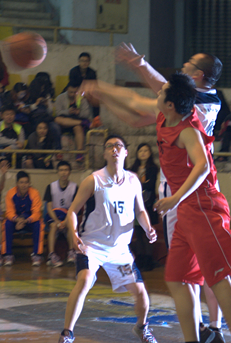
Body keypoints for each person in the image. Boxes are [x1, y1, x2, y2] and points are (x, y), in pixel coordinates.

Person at [81, 75, 231, 343]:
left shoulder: (187, 130)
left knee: (219, 279)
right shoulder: (164, 115)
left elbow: (202, 166)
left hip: (203, 207)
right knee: (176, 278)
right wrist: (102, 91)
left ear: (170, 104)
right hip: (185, 212)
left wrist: (175, 198)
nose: (157, 93)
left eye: (162, 92)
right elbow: (133, 103)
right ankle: (195, 339)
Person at [116, 44, 226, 342]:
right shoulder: (209, 99)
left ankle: (205, 328)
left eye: (188, 64)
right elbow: (150, 102)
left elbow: (154, 92)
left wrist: (134, 67)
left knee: (189, 269)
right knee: (205, 265)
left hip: (185, 191)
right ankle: (212, 327)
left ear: (198, 76)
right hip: (202, 191)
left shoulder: (193, 101)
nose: (182, 67)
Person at [58, 135, 158, 343]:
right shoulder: (94, 180)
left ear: (126, 152)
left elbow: (140, 210)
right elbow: (73, 211)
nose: (114, 149)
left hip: (119, 250)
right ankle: (67, 333)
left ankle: (142, 328)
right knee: (84, 280)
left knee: (141, 292)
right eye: (110, 146)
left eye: (118, 146)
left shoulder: (133, 180)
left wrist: (148, 228)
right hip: (92, 245)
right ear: (104, 153)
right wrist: (73, 232)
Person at [127, 143, 160, 271]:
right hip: (134, 204)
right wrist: (142, 184)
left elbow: (150, 185)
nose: (143, 153)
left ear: (150, 153)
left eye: (146, 150)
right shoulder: (132, 169)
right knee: (139, 232)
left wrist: (140, 185)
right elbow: (130, 185)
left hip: (148, 204)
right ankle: (140, 259)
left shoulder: (153, 168)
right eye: (141, 151)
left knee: (148, 231)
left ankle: (148, 259)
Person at [1, 170, 44, 266]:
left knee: (39, 224)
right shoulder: (10, 193)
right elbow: (9, 212)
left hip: (29, 220)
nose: (24, 185)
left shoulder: (34, 193)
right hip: (16, 221)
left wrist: (26, 221)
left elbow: (37, 213)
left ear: (29, 183)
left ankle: (37, 254)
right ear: (17, 183)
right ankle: (8, 254)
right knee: (6, 224)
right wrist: (17, 220)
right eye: (21, 182)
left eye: (26, 182)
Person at [44, 160, 78, 267]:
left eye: (66, 170)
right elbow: (49, 207)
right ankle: (51, 255)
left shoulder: (74, 187)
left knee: (71, 225)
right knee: (54, 225)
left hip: (67, 215)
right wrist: (58, 221)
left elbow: (74, 207)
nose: (63, 173)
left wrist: (65, 221)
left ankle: (71, 253)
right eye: (61, 170)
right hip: (54, 215)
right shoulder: (51, 187)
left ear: (69, 172)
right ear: (58, 172)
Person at [54, 82, 92, 160]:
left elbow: (86, 114)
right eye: (71, 92)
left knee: (78, 128)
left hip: (76, 120)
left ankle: (79, 153)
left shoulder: (82, 98)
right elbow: (58, 113)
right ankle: (84, 123)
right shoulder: (60, 98)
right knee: (57, 119)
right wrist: (68, 111)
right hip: (65, 121)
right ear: (67, 90)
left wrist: (79, 112)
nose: (73, 94)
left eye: (75, 92)